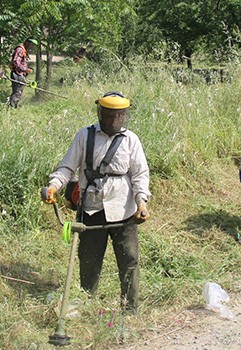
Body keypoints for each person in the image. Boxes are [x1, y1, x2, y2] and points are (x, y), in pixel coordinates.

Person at [41, 92, 152, 314]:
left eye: (119, 116)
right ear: (100, 112)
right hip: (92, 208)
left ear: (125, 115)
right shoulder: (85, 136)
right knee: (89, 259)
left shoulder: (131, 140)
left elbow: (140, 175)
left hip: (124, 210)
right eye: (109, 116)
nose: (113, 121)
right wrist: (53, 186)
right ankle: (87, 301)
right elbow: (66, 168)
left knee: (129, 259)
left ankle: (130, 309)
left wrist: (142, 202)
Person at [8, 38, 37, 108]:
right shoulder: (20, 50)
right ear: (27, 43)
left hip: (20, 74)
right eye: (31, 45)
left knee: (20, 93)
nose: (32, 47)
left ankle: (15, 107)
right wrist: (25, 69)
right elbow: (15, 62)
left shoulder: (23, 51)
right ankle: (11, 108)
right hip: (16, 74)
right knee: (17, 93)